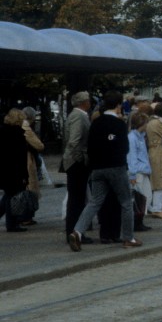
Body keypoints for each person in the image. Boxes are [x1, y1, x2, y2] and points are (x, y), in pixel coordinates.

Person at [68, 91, 141, 250]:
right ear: (118, 106)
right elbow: (124, 147)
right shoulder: (119, 124)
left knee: (94, 202)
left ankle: (77, 231)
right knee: (126, 202)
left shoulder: (96, 122)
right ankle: (128, 237)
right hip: (116, 167)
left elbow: (90, 145)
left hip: (97, 168)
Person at [62, 91, 93, 243]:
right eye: (88, 100)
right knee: (77, 199)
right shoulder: (78, 116)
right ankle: (74, 231)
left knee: (77, 198)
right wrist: (79, 158)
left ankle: (74, 230)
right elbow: (74, 140)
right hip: (76, 162)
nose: (90, 102)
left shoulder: (77, 115)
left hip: (75, 161)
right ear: (83, 102)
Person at [1, 109, 36, 232]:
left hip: (5, 169)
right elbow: (20, 158)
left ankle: (12, 223)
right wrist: (25, 176)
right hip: (14, 171)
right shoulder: (18, 135)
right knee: (13, 197)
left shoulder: (3, 132)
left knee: (8, 195)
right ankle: (12, 224)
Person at [126, 112, 153, 233]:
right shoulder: (132, 138)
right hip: (137, 171)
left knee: (145, 197)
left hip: (143, 169)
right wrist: (132, 173)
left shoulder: (140, 136)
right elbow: (131, 156)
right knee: (139, 197)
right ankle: (137, 222)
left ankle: (139, 221)